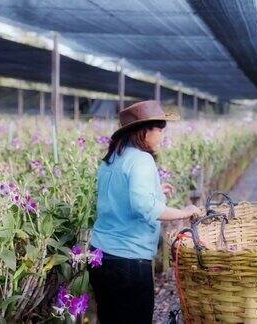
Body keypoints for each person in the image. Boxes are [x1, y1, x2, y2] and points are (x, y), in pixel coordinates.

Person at [88, 100, 200, 323]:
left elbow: (119, 198)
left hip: (100, 257)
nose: (162, 135)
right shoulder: (142, 159)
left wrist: (156, 189)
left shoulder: (111, 159)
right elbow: (143, 207)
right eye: (159, 129)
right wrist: (184, 212)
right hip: (129, 260)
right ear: (143, 131)